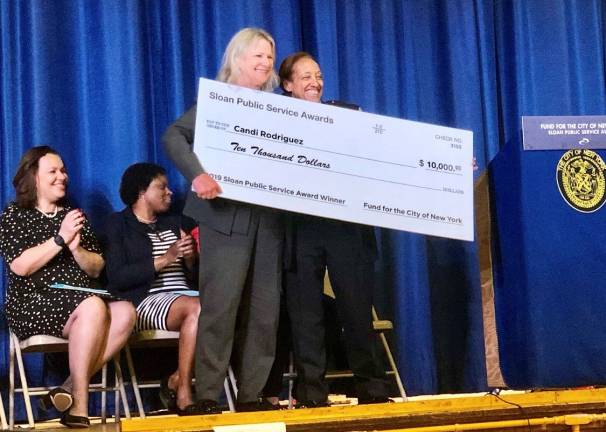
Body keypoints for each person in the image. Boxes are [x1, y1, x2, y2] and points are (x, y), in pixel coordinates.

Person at [162, 28, 283, 413]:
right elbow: (173, 137)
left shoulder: (279, 108)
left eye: (269, 56)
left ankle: (250, 395)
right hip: (222, 218)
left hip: (268, 221)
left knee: (264, 311)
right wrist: (197, 174)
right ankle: (208, 395)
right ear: (237, 58)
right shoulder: (218, 102)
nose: (265, 63)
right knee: (220, 307)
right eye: (257, 56)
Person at [278, 52, 390, 407]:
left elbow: (389, 152)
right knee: (306, 315)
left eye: (319, 75)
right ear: (287, 85)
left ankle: (372, 388)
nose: (315, 82)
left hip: (345, 227)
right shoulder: (272, 123)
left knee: (357, 312)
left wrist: (445, 166)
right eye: (306, 76)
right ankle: (312, 393)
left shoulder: (348, 115)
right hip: (300, 228)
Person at [0, 146, 136, 428]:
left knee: (125, 311)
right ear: (34, 178)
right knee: (93, 306)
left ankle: (66, 388)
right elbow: (21, 266)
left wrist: (76, 250)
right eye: (53, 171)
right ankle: (79, 407)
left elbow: (97, 267)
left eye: (63, 171)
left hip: (83, 300)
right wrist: (60, 240)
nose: (62, 176)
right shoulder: (14, 215)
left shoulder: (74, 217)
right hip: (33, 301)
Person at [103, 163, 201, 415]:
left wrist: (190, 260)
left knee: (223, 307)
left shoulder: (176, 222)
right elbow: (117, 278)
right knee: (198, 308)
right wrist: (165, 259)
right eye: (162, 187)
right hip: (144, 301)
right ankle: (184, 394)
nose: (169, 192)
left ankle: (177, 379)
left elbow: (197, 276)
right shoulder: (118, 225)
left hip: (187, 296)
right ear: (141, 191)